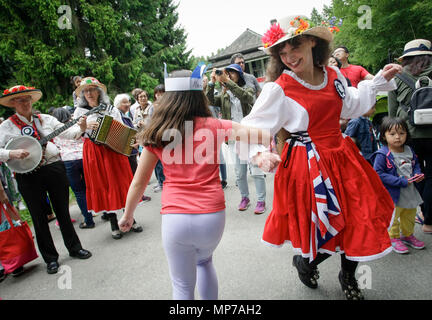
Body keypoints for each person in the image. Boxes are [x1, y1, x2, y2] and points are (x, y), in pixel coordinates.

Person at [242, 15, 402, 299]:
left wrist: (376, 82)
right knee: (322, 225)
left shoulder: (333, 75)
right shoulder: (279, 88)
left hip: (343, 156)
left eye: (295, 46)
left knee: (356, 218)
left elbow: (352, 105)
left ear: (311, 41)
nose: (289, 56)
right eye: (283, 51)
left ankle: (348, 276)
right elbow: (253, 125)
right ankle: (306, 262)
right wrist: (259, 155)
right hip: (308, 164)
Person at [118, 67, 271, 300]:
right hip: (211, 215)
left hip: (174, 217)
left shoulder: (157, 132)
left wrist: (128, 215)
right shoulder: (216, 125)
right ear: (199, 94)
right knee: (205, 263)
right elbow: (263, 136)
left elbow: (139, 183)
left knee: (181, 285)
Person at [0, 85, 92, 274]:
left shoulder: (46, 119)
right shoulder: (6, 127)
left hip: (53, 167)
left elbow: (68, 133)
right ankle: (50, 258)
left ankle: (74, 248)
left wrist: (81, 127)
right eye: (20, 100)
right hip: (26, 175)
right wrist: (11, 152)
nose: (25, 103)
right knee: (38, 217)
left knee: (63, 212)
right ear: (12, 104)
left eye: (27, 99)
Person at [72, 77, 143, 239]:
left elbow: (122, 127)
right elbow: (75, 134)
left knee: (122, 183)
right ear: (82, 94)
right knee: (104, 184)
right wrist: (83, 127)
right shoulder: (79, 112)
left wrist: (131, 139)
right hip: (95, 151)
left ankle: (129, 218)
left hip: (114, 149)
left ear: (99, 91)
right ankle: (113, 223)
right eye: (86, 90)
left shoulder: (110, 108)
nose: (89, 93)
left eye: (92, 89)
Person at [206, 64, 267, 214]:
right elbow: (209, 101)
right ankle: (244, 197)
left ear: (239, 75)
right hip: (234, 137)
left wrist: (228, 82)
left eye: (231, 73)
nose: (227, 75)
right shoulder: (224, 95)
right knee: (240, 173)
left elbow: (246, 98)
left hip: (250, 135)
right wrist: (212, 82)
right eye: (226, 74)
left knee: (257, 171)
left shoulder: (248, 88)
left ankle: (261, 200)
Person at [388, 39, 432, 235]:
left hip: (409, 134)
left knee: (417, 174)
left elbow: (392, 112)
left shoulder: (396, 77)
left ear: (405, 58)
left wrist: (393, 136)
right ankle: (428, 221)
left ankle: (424, 213)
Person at [373, 117, 425, 254]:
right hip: (393, 195)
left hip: (410, 192)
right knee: (394, 217)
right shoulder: (383, 154)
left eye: (402, 133)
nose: (398, 137)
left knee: (409, 214)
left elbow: (416, 165)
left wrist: (418, 174)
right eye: (392, 134)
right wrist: (400, 181)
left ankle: (408, 235)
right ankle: (393, 238)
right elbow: (378, 173)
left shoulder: (409, 150)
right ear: (383, 135)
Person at [51, 107, 95, 229]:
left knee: (79, 191)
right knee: (90, 187)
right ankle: (99, 210)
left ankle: (88, 220)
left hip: (68, 160)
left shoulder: (56, 129)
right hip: (84, 157)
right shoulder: (77, 124)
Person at [114, 93, 151, 202]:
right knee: (134, 175)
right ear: (118, 104)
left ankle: (138, 196)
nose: (128, 104)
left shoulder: (125, 115)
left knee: (135, 173)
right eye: (124, 102)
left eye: (128, 102)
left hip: (131, 150)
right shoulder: (118, 116)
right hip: (127, 150)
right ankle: (138, 197)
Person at [203, 75, 227, 189]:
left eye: (205, 80)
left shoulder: (214, 92)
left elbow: (216, 107)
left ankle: (224, 179)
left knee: (219, 155)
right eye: (201, 80)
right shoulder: (196, 96)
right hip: (202, 130)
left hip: (214, 127)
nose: (203, 82)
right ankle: (213, 179)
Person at [150, 84, 166, 193]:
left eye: (162, 94)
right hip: (156, 137)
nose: (159, 96)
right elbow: (151, 122)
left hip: (167, 137)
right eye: (157, 94)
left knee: (163, 163)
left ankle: (163, 183)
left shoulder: (170, 105)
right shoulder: (153, 106)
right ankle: (160, 182)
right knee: (157, 163)